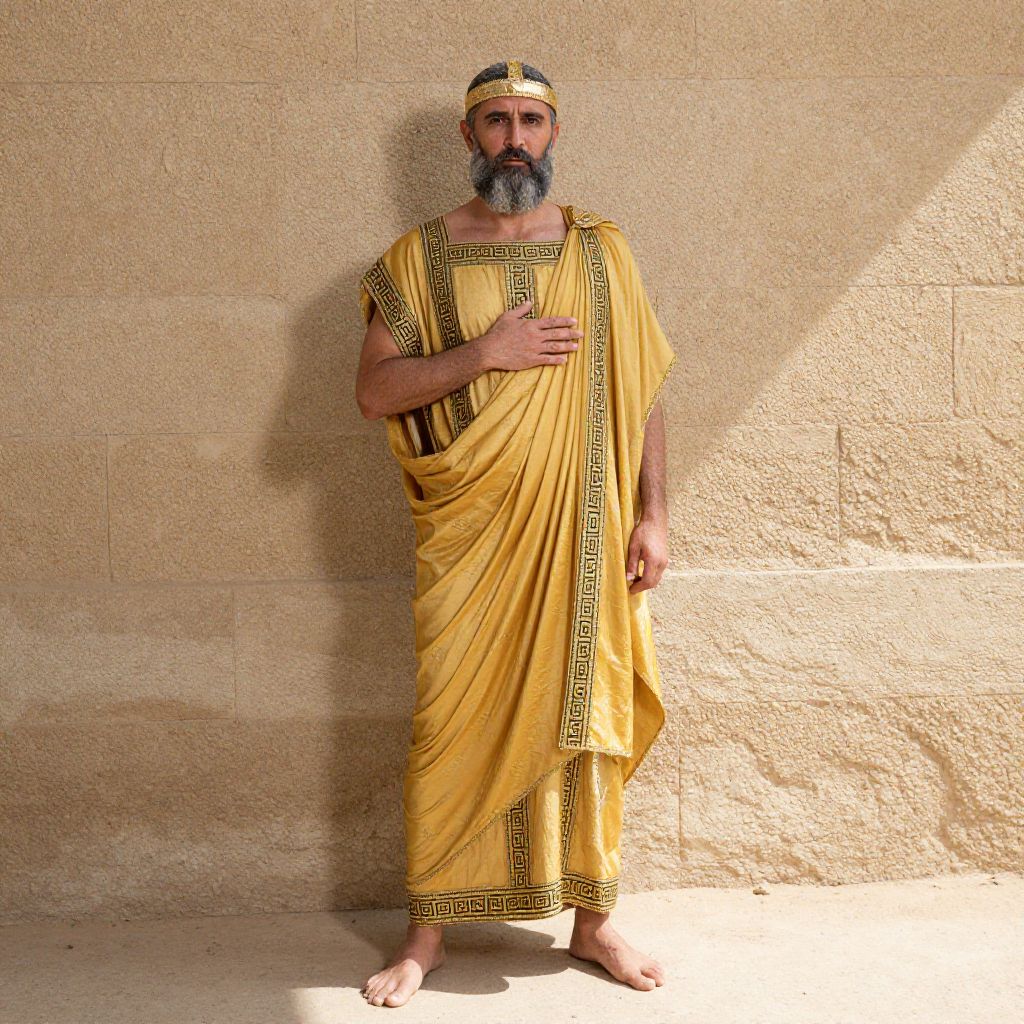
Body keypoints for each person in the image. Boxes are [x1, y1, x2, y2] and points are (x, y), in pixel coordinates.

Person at [354, 59, 676, 1008]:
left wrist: (656, 513)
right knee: (450, 721)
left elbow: (646, 387)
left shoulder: (601, 253)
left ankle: (593, 919)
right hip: (469, 543)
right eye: (495, 121)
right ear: (467, 138)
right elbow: (375, 391)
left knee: (588, 721)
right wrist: (483, 354)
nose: (513, 138)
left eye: (531, 120)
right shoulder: (412, 260)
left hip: (585, 537)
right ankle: (428, 935)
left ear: (554, 135)